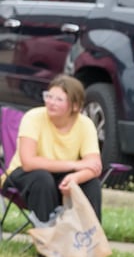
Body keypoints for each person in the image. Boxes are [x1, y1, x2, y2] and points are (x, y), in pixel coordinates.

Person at [3, 75, 103, 225]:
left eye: (59, 99)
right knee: (42, 178)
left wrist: (76, 178)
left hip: (61, 178)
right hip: (23, 176)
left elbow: (95, 166)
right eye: (49, 96)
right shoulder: (33, 117)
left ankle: (89, 240)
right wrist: (74, 165)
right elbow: (28, 162)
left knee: (91, 183)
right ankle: (47, 241)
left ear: (75, 106)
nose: (51, 103)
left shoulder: (85, 124)